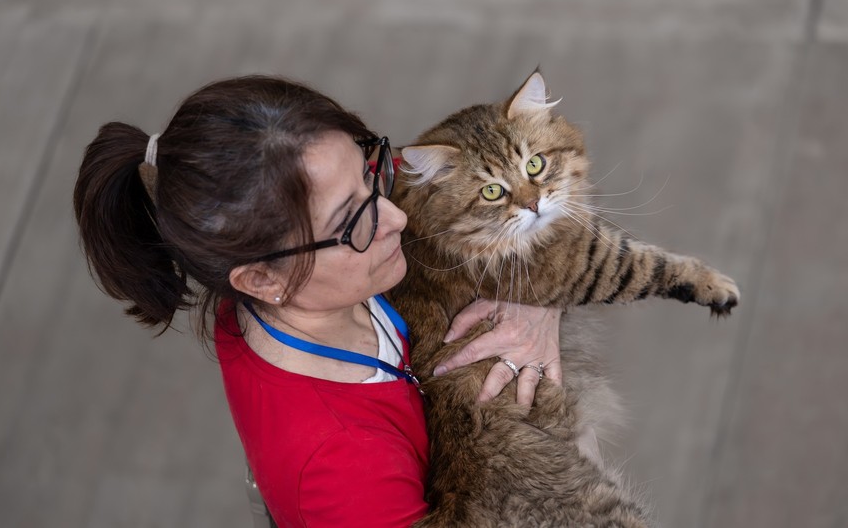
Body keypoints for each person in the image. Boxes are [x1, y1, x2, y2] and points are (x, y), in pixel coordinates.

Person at [73, 75, 563, 527]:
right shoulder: (343, 468)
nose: (396, 216)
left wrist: (540, 298)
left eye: (370, 173)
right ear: (262, 280)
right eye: (351, 221)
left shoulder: (297, 280)